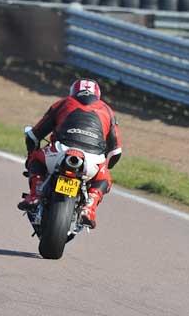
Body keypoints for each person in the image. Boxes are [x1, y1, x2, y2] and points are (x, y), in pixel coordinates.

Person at [18, 78, 122, 228]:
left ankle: (35, 194)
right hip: (93, 160)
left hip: (61, 151)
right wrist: (105, 166)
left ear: (73, 92)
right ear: (98, 95)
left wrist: (31, 155)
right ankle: (89, 207)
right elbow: (116, 151)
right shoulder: (108, 111)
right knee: (105, 178)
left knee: (36, 159)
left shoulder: (63, 103)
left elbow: (34, 135)